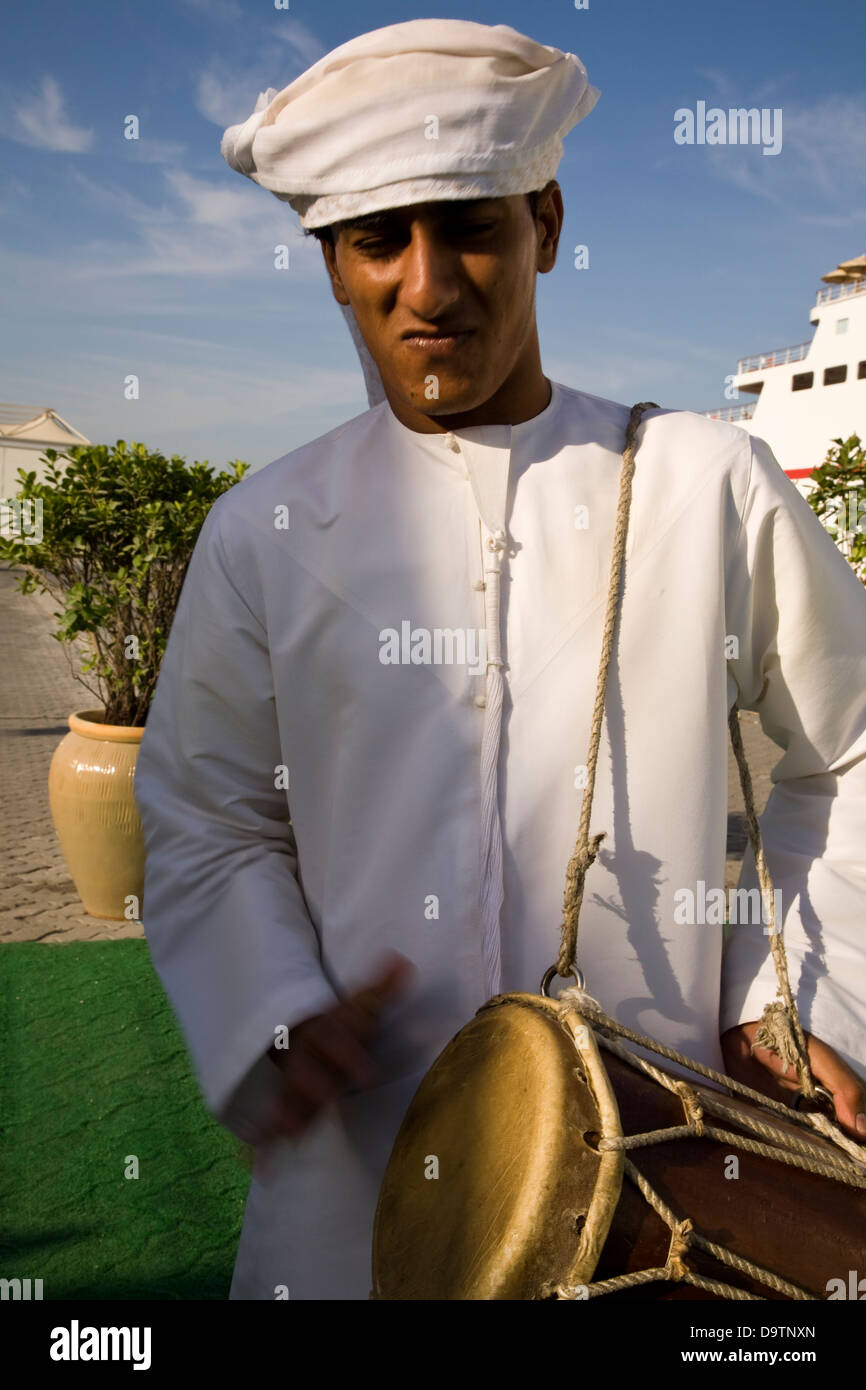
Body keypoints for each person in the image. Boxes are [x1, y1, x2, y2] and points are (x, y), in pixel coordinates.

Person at [133, 18, 866, 1301]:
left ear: (546, 219)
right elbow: (207, 818)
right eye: (378, 240)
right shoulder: (265, 529)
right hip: (346, 1195)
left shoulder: (703, 484)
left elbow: (847, 751)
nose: (429, 284)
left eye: (470, 223)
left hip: (667, 1189)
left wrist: (786, 995)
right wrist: (275, 1014)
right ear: (330, 267)